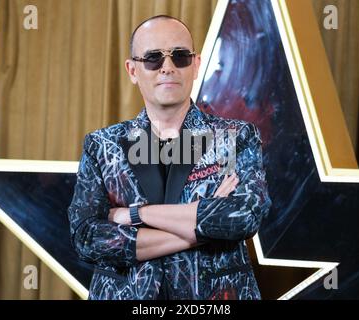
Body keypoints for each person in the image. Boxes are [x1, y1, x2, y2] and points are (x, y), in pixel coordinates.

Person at [67, 15, 272, 300]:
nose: (167, 68)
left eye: (180, 57)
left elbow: (243, 217)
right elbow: (88, 238)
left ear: (196, 64)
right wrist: (206, 223)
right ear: (132, 70)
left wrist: (134, 214)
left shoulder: (233, 138)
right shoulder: (103, 145)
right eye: (152, 58)